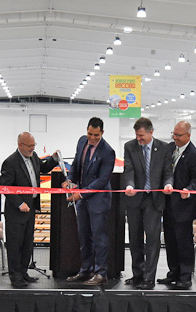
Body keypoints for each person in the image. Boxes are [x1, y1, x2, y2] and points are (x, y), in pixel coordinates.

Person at [0, 132, 58, 288]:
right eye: (30, 146)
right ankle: (15, 276)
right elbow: (5, 187)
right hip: (16, 211)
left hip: (31, 207)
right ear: (20, 145)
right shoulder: (10, 162)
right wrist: (19, 203)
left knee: (27, 243)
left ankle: (23, 272)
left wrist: (54, 159)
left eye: (34, 145)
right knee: (15, 244)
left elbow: (43, 168)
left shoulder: (33, 156)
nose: (32, 149)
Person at [63, 117, 116, 286]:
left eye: (96, 135)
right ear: (86, 130)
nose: (92, 138)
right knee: (84, 236)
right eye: (90, 134)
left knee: (99, 238)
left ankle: (101, 273)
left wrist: (81, 194)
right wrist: (70, 180)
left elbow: (102, 180)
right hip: (82, 200)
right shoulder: (81, 142)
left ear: (102, 133)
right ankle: (85, 270)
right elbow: (76, 165)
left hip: (98, 201)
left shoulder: (108, 151)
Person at [122, 117, 173, 290]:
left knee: (152, 240)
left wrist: (168, 184)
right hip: (135, 198)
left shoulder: (165, 148)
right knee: (134, 239)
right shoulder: (129, 146)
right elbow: (128, 169)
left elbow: (167, 171)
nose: (139, 139)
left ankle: (149, 277)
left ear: (151, 132)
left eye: (142, 135)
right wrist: (129, 185)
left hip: (154, 200)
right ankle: (138, 275)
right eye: (137, 135)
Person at [158, 121, 196, 290]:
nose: (175, 138)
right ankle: (173, 272)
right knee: (170, 240)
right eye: (174, 134)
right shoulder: (169, 149)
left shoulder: (195, 155)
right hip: (168, 204)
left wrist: (189, 189)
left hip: (184, 206)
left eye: (178, 135)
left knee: (183, 242)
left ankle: (185, 275)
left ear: (188, 136)